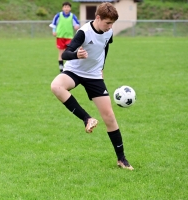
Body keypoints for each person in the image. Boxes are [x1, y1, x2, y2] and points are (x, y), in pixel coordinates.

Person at [50, 2, 134, 170]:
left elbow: (105, 48)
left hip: (94, 75)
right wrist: (76, 55)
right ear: (98, 18)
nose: (110, 27)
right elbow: (66, 53)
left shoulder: (108, 31)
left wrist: (101, 67)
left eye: (112, 23)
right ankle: (87, 119)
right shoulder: (84, 32)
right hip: (74, 70)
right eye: (108, 23)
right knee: (56, 86)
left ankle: (121, 159)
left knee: (109, 117)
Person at [49, 2, 80, 73]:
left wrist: (76, 26)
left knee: (69, 52)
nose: (66, 8)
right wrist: (54, 31)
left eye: (68, 7)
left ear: (70, 8)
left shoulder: (72, 16)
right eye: (65, 7)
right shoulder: (58, 15)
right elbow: (54, 24)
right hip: (60, 36)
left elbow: (77, 24)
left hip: (69, 37)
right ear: (62, 8)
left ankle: (69, 68)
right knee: (61, 52)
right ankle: (61, 69)